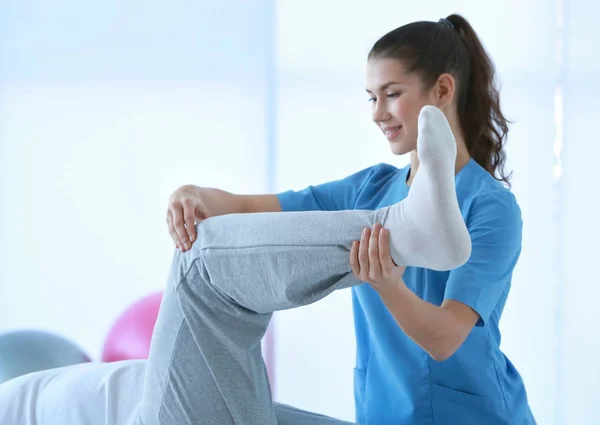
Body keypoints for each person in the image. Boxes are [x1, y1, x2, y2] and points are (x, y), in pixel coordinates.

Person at [0, 13, 534, 425]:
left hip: (465, 417)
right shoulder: (374, 187)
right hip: (381, 415)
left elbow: (445, 340)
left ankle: (412, 232)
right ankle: (410, 230)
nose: (376, 112)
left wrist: (388, 284)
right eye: (371, 97)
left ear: (443, 90)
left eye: (392, 94)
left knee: (204, 271)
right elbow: (264, 209)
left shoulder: (490, 207)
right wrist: (199, 194)